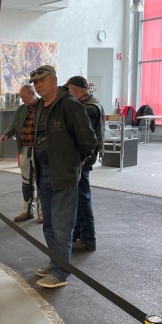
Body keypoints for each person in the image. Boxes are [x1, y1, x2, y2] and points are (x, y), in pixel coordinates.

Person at [29, 65, 96, 289]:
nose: (38, 85)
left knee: (61, 225)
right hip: (43, 172)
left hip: (63, 175)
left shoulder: (70, 105)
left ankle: (61, 272)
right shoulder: (40, 106)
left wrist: (73, 164)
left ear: (54, 79)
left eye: (42, 80)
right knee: (48, 224)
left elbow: (88, 141)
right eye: (35, 82)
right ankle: (55, 262)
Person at [65, 75, 105, 252]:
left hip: (83, 159)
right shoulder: (91, 104)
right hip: (85, 157)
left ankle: (88, 238)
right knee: (79, 197)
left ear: (74, 90)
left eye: (69, 90)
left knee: (82, 198)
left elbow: (82, 137)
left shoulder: (88, 109)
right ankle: (78, 235)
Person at [0, 84, 42, 222]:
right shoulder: (21, 109)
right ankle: (28, 211)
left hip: (40, 151)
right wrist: (6, 134)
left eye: (24, 97)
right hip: (24, 150)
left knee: (42, 181)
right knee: (26, 182)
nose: (22, 100)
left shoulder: (44, 107)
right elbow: (14, 124)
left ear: (32, 94)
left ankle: (43, 212)